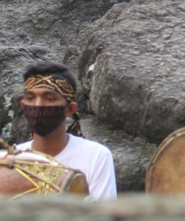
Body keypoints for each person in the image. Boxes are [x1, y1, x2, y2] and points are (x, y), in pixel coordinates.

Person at [17, 61, 117, 200]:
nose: (38, 105)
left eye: (49, 98)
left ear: (70, 109)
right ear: (23, 105)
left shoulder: (96, 156)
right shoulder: (13, 159)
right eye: (30, 98)